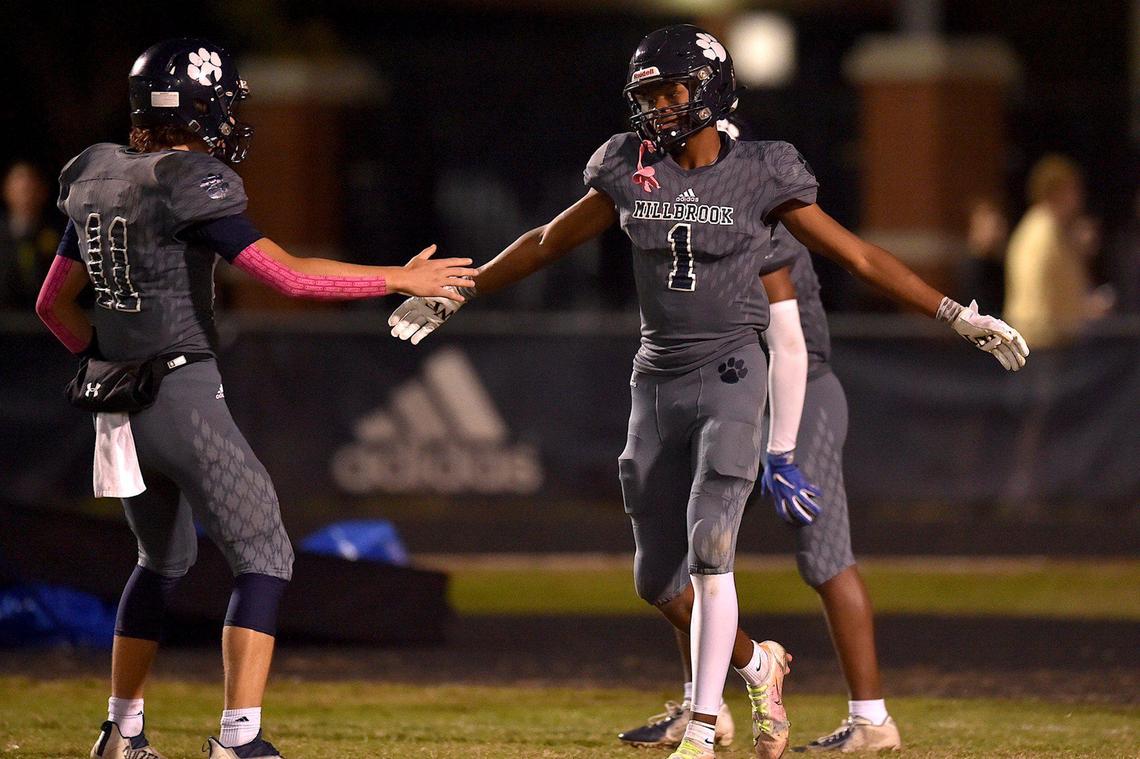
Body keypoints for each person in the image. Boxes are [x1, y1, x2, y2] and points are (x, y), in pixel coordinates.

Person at [387, 24, 1027, 759]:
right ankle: (753, 665)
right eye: (648, 94)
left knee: (718, 546)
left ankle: (716, 720)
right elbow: (545, 242)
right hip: (656, 375)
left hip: (738, 371)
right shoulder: (627, 164)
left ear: (712, 91)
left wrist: (954, 313)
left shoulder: (763, 175)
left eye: (672, 91)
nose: (659, 108)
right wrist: (457, 292)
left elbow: (853, 258)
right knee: (656, 576)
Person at [35, 38, 476, 759]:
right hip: (179, 389)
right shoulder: (190, 180)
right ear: (201, 108)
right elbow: (292, 277)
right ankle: (238, 738)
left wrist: (107, 362)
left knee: (160, 561)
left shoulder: (96, 172)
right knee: (264, 551)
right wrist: (397, 277)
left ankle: (122, 730)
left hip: (115, 408)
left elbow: (54, 304)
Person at [617, 225, 902, 753]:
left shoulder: (757, 214)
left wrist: (783, 446)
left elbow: (790, 347)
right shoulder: (695, 208)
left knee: (824, 555)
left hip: (797, 390)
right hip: (725, 390)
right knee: (692, 550)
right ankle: (703, 706)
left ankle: (872, 717)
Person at [1005, 154, 1108, 348]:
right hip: (1040, 345)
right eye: (1074, 189)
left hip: (1053, 341)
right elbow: (1036, 297)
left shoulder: (1055, 231)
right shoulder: (1039, 234)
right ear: (1056, 192)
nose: (1080, 196)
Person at [0, 161, 60, 309]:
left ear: (43, 191)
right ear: (6, 190)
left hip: (43, 324)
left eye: (30, 188)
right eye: (21, 189)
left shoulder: (58, 235)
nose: (26, 195)